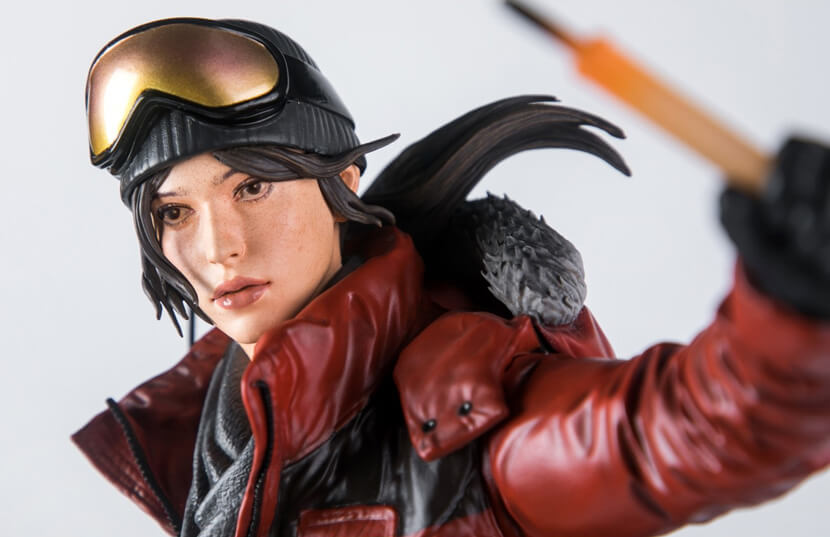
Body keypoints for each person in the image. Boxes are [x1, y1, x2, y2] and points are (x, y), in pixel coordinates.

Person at [73, 17, 830, 537]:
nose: (218, 249)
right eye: (175, 212)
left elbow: (682, 433)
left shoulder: (463, 407)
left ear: (341, 182)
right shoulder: (214, 438)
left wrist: (793, 308)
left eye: (252, 188)